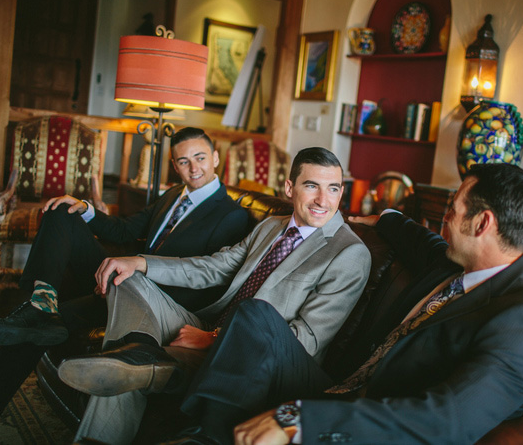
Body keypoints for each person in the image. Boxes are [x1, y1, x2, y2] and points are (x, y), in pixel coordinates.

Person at [165, 163, 523, 445]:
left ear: (482, 224)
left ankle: (196, 431)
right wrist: (383, 217)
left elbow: (447, 421)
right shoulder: (458, 261)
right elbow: (418, 237)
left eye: (452, 210)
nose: (444, 218)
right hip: (337, 386)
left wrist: (299, 418)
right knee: (256, 315)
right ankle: (192, 423)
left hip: (370, 419)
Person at [58, 146, 372, 444]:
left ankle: (142, 371)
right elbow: (213, 267)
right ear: (290, 188)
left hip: (262, 359)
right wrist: (140, 262)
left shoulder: (349, 253)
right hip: (208, 323)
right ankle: (140, 354)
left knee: (135, 355)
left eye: (333, 188)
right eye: (312, 186)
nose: (323, 200)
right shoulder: (270, 227)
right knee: (125, 279)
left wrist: (215, 338)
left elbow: (307, 341)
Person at [0, 127, 249, 426]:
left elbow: (204, 279)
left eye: (200, 157)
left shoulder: (232, 215)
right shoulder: (173, 196)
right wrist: (85, 209)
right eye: (183, 161)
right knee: (62, 211)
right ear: (174, 164)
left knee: (33, 330)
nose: (193, 168)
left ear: (215, 157)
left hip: (148, 300)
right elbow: (127, 230)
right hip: (119, 277)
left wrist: (132, 276)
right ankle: (42, 299)